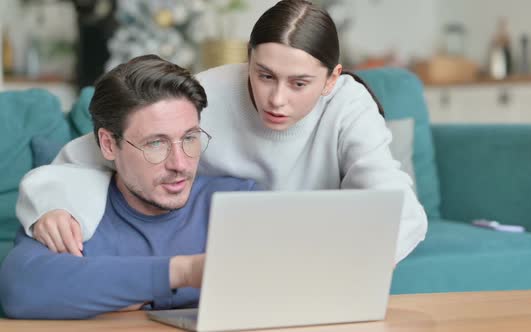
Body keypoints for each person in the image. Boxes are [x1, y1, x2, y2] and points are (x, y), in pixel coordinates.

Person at [16, 0, 427, 264]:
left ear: (332, 78)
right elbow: (84, 156)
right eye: (264, 75)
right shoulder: (208, 93)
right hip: (225, 251)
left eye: (299, 83)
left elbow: (400, 209)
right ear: (247, 59)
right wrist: (53, 206)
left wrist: (335, 266)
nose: (276, 99)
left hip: (312, 253)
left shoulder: (349, 105)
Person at [0, 55, 256, 319]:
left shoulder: (237, 200)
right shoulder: (73, 209)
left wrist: (113, 292)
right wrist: (185, 272)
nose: (180, 164)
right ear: (109, 144)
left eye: (189, 138)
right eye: (156, 143)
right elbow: (21, 289)